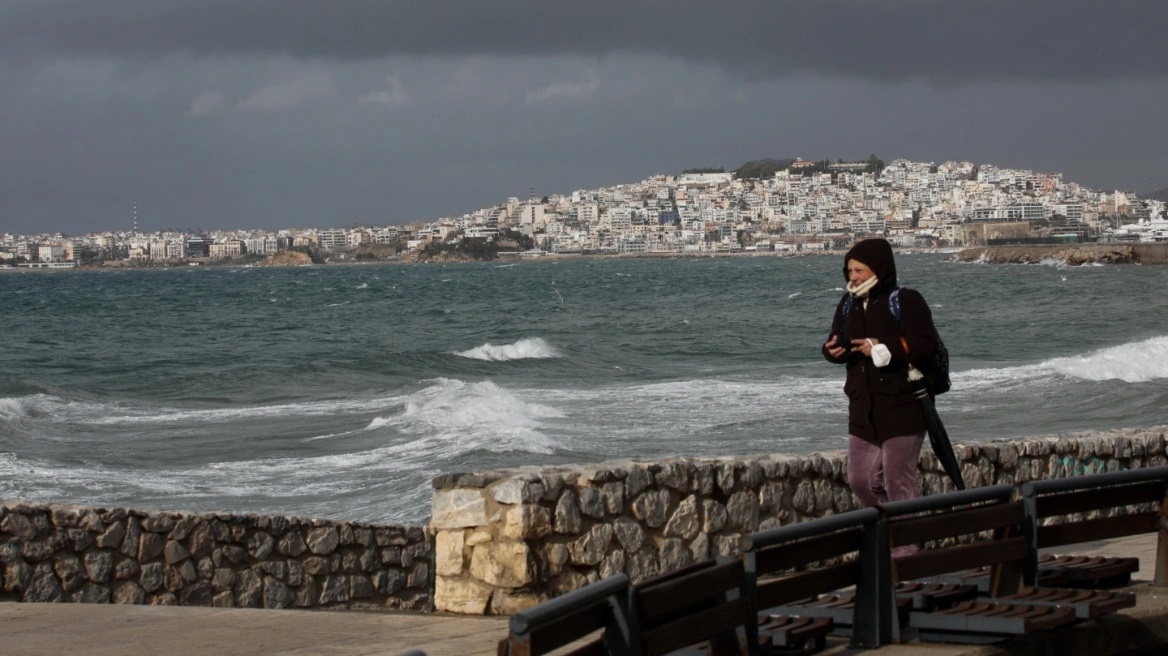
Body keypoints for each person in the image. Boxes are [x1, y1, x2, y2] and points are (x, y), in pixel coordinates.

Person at [822, 238, 940, 516]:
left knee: (898, 482)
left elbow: (925, 344)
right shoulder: (848, 304)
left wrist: (882, 345)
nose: (853, 277)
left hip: (903, 406)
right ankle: (892, 535)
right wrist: (831, 351)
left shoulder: (906, 301)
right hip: (863, 408)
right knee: (861, 481)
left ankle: (904, 552)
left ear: (879, 269)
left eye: (859, 270)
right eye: (849, 271)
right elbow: (836, 340)